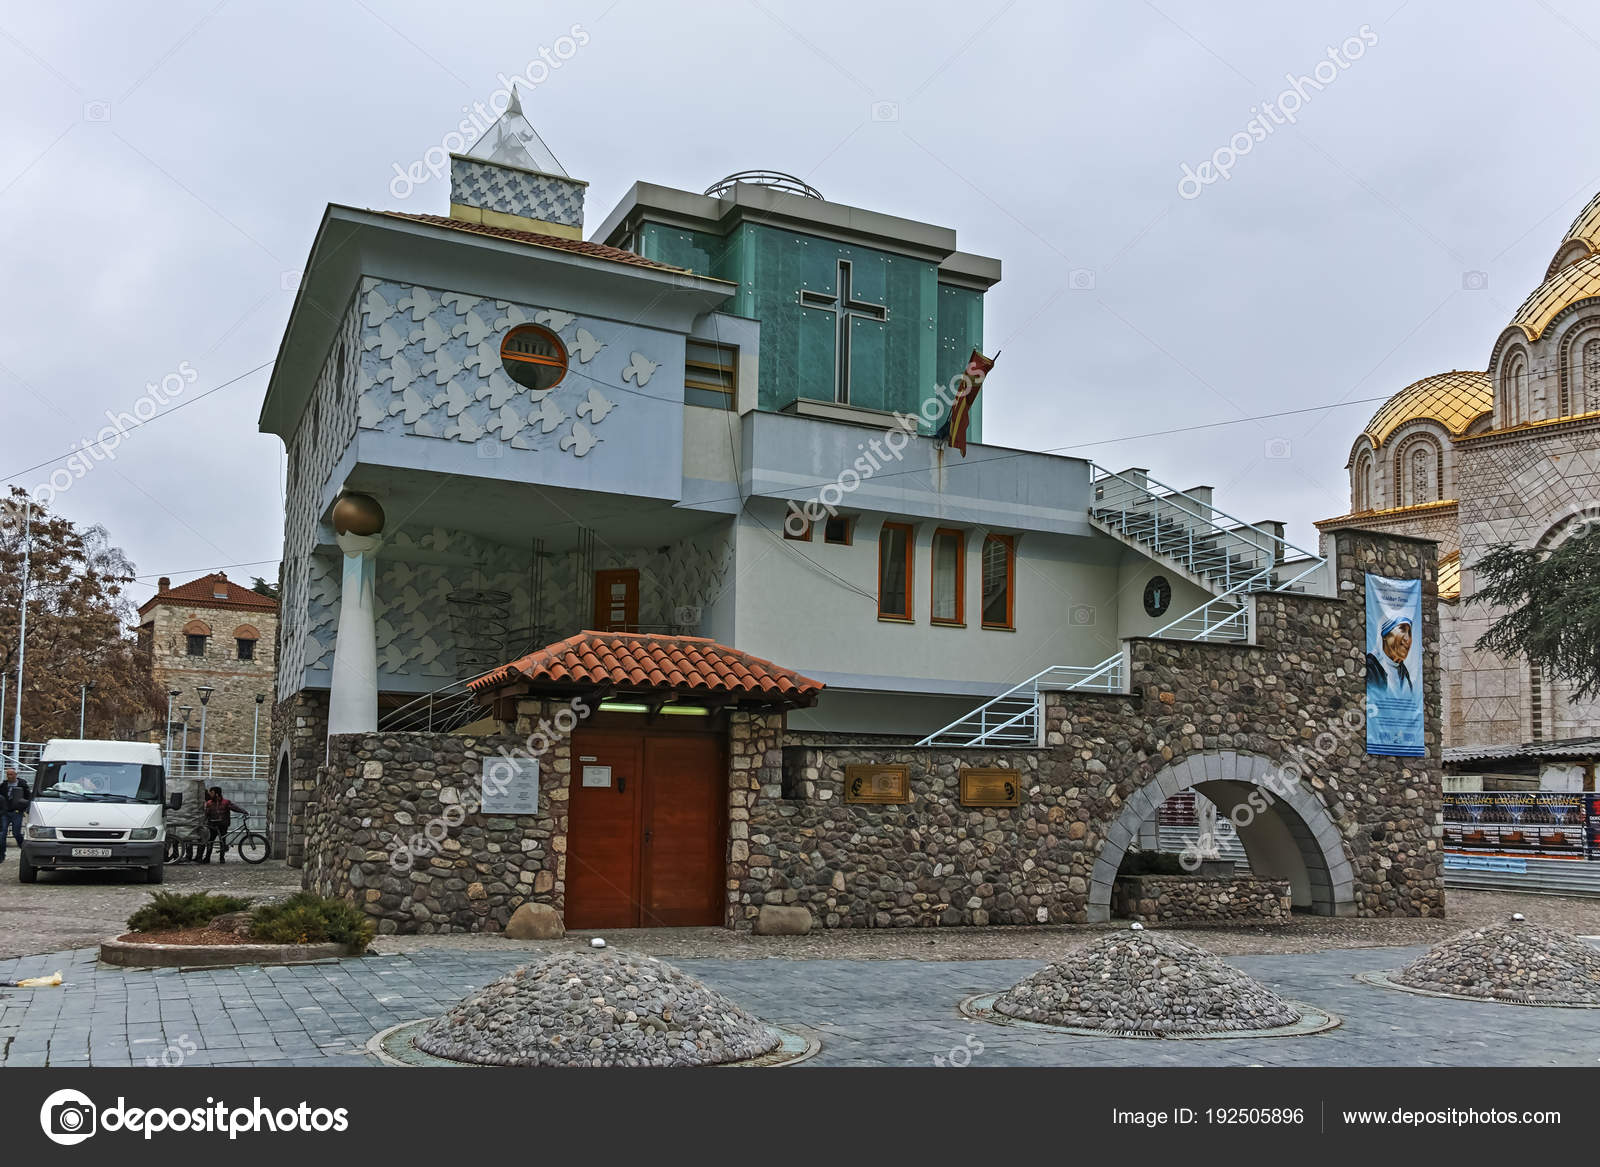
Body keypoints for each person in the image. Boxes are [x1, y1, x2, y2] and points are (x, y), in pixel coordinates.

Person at [197, 786, 243, 863]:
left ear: (217, 794)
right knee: (210, 841)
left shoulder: (226, 802)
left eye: (211, 793)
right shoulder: (209, 803)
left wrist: (244, 812)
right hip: (212, 825)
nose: (210, 794)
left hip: (223, 825)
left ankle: (222, 858)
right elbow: (206, 814)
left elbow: (235, 808)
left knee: (222, 841)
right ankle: (207, 858)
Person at [0, 768, 28, 862]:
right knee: (2, 834)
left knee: (16, 833)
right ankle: (1, 855)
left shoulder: (22, 785)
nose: (9, 776)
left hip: (17, 812)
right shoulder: (3, 785)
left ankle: (25, 851)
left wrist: (23, 807)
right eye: (8, 774)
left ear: (15, 775)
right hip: (5, 812)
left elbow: (28, 797)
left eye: (11, 774)